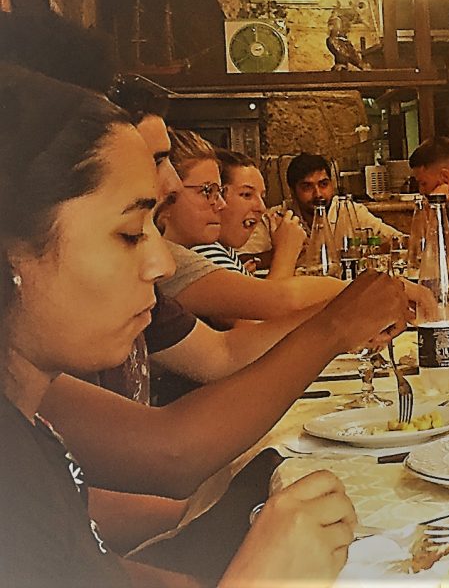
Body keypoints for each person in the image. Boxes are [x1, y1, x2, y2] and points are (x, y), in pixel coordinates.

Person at [0, 65, 374, 587]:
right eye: (131, 232)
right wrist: (257, 577)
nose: (163, 264)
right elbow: (172, 447)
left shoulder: (29, 430)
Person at [159, 134, 342, 325]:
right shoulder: (195, 252)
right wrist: (286, 251)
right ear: (167, 193)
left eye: (218, 192)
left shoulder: (204, 250)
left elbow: (222, 347)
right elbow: (263, 320)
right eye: (207, 191)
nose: (220, 204)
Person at [242, 152, 403, 259]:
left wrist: (368, 250)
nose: (318, 194)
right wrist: (285, 252)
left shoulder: (351, 211)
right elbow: (241, 259)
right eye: (307, 187)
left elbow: (399, 241)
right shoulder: (276, 217)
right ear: (292, 192)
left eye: (323, 184)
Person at [193, 148, 306, 278]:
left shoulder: (224, 250)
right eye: (246, 195)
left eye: (262, 196)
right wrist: (287, 251)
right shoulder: (205, 253)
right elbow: (275, 297)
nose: (261, 207)